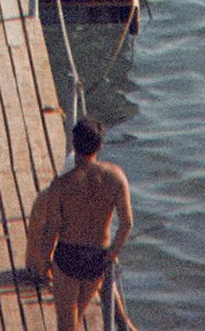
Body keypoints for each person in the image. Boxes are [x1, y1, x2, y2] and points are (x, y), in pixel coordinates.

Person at [26, 119, 134, 328]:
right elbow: (127, 223)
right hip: (97, 257)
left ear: (74, 145)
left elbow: (52, 228)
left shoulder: (61, 185)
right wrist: (113, 251)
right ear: (100, 146)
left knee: (66, 323)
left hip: (68, 255)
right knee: (76, 317)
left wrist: (45, 259)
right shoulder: (116, 177)